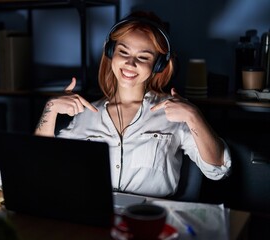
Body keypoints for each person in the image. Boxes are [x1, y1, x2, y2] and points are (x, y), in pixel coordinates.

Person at [34, 11, 231, 198]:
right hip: (97, 216)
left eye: (143, 57)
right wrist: (50, 110)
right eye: (123, 52)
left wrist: (193, 116)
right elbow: (40, 164)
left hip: (152, 218)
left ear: (158, 65)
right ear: (111, 53)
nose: (130, 63)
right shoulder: (86, 114)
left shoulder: (175, 112)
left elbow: (217, 170)